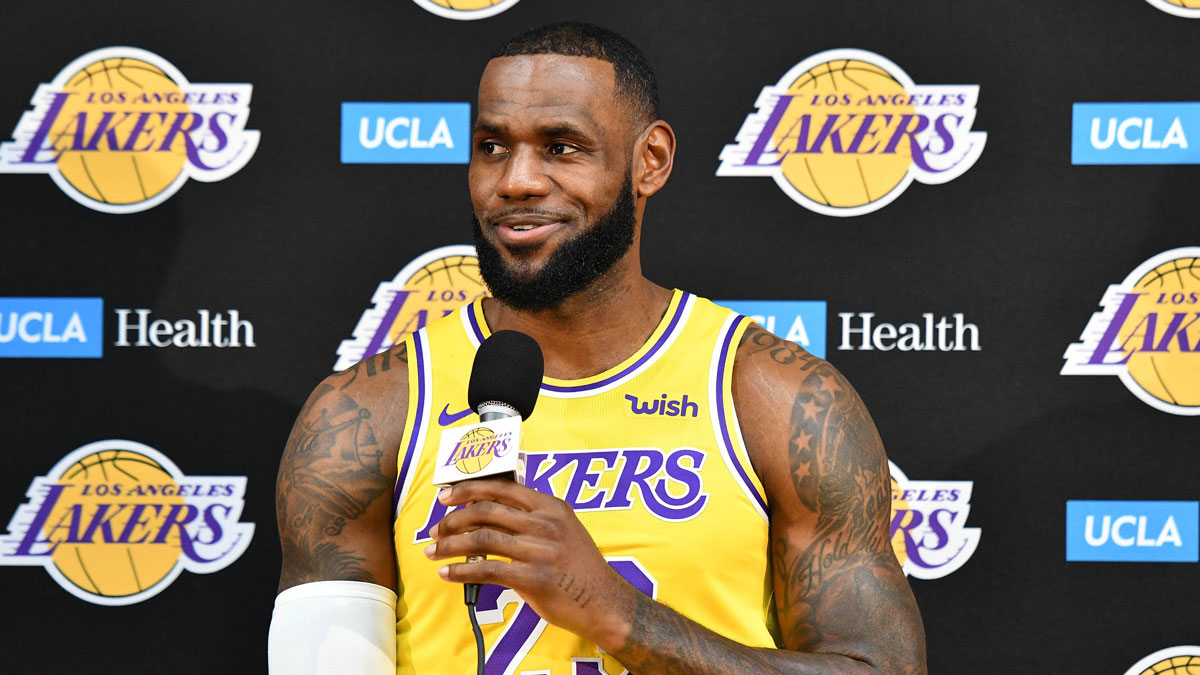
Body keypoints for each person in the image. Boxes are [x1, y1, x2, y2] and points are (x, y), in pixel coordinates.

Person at [269, 22, 926, 675]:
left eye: (561, 147)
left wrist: (615, 611)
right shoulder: (367, 411)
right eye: (492, 145)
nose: (516, 180)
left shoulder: (774, 397)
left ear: (651, 160)